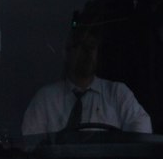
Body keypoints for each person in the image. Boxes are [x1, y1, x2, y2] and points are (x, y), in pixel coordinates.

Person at [21, 21, 151, 138]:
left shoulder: (118, 94)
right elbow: (31, 146)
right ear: (66, 53)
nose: (87, 53)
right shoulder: (45, 99)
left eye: (92, 47)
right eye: (81, 47)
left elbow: (142, 134)